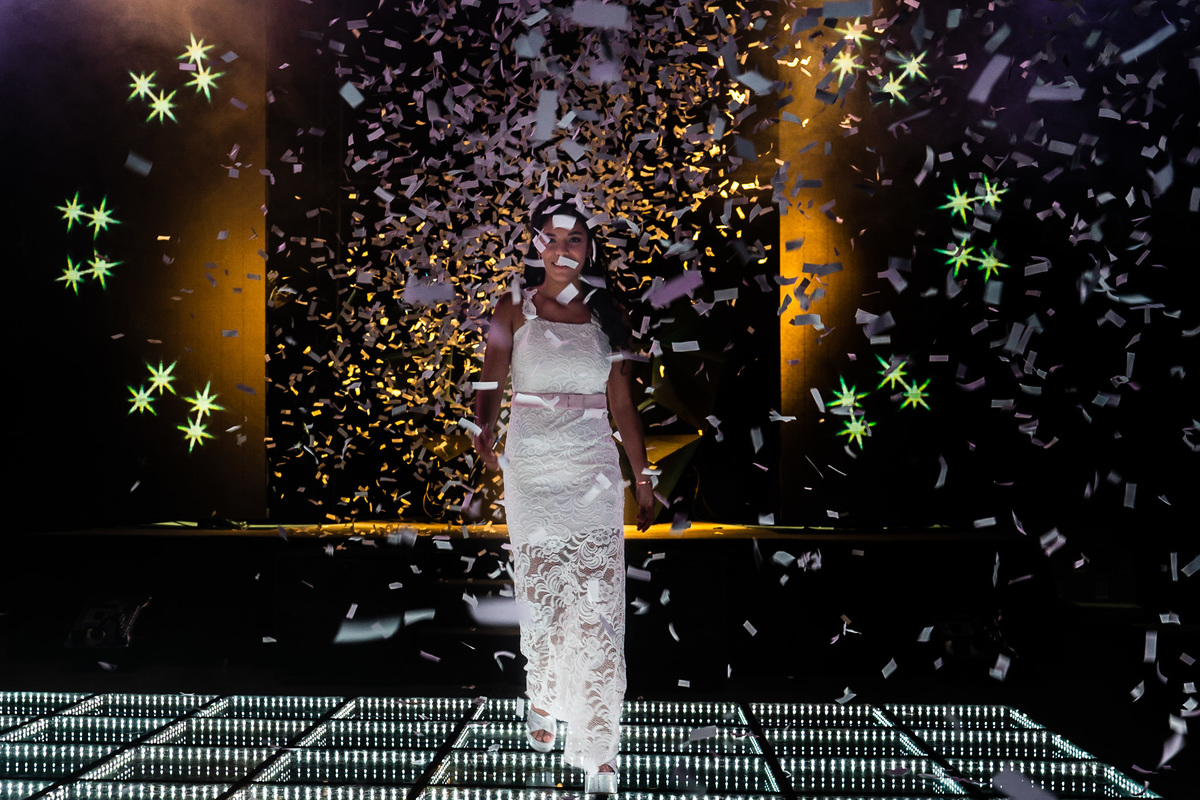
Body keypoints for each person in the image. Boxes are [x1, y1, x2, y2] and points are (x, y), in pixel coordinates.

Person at [473, 198, 654, 793]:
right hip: (532, 468)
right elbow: (491, 378)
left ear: (589, 250)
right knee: (547, 597)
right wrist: (482, 436)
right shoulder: (515, 307)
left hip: (594, 471)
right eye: (550, 238)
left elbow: (623, 405)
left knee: (598, 608)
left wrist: (643, 477)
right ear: (536, 247)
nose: (562, 248)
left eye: (573, 240)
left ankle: (601, 748)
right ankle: (544, 693)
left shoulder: (609, 315)